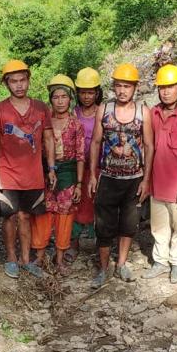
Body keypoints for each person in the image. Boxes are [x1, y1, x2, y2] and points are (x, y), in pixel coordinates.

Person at [0, 60, 55, 279]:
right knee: (9, 217)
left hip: (33, 174)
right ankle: (11, 259)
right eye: (14, 81)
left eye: (22, 80)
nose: (19, 85)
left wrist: (51, 168)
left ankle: (26, 260)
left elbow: (48, 139)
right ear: (6, 84)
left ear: (29, 80)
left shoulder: (40, 108)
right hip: (7, 173)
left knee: (26, 216)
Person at [88, 63, 153, 289]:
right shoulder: (104, 110)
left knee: (129, 224)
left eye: (127, 86)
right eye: (118, 85)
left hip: (133, 179)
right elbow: (96, 142)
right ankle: (104, 268)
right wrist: (92, 175)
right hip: (108, 177)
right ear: (113, 87)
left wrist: (146, 179)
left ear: (135, 87)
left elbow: (149, 145)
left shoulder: (142, 112)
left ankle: (122, 263)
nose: (122, 90)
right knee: (104, 225)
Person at [143, 65, 177, 284]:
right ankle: (160, 260)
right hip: (158, 181)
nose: (165, 91)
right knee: (159, 226)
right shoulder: (153, 113)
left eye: (170, 87)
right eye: (162, 87)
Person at [31, 75, 85, 275]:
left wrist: (79, 184)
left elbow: (80, 155)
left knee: (65, 217)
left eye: (64, 97)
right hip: (45, 174)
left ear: (70, 99)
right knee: (43, 216)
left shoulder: (75, 124)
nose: (60, 101)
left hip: (69, 176)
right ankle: (40, 256)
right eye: (56, 97)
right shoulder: (43, 122)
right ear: (50, 99)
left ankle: (60, 258)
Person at [70, 67, 103, 255]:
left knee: (95, 202)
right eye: (83, 92)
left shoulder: (102, 111)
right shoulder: (74, 113)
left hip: (97, 166)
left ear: (97, 92)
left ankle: (95, 242)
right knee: (76, 203)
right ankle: (73, 243)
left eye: (90, 92)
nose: (87, 96)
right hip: (77, 167)